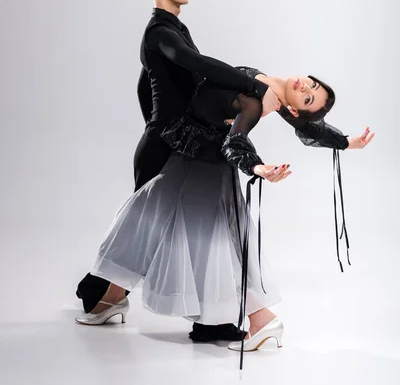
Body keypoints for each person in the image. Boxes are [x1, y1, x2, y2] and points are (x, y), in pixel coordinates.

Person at [75, 0, 373, 344]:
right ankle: (114, 298)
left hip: (197, 151)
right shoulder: (173, 38)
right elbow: (176, 72)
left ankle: (230, 317)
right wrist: (161, 119)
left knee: (178, 229)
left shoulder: (260, 96)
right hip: (170, 145)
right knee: (152, 223)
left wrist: (338, 144)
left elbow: (242, 131)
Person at [74, 67, 374, 372]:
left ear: (296, 107)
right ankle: (112, 298)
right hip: (188, 151)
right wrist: (347, 141)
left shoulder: (259, 102)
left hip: (207, 161)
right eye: (310, 84)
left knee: (213, 238)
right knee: (147, 214)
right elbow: (309, 126)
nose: (303, 85)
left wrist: (256, 168)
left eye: (308, 96)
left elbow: (236, 140)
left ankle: (262, 318)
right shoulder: (273, 89)